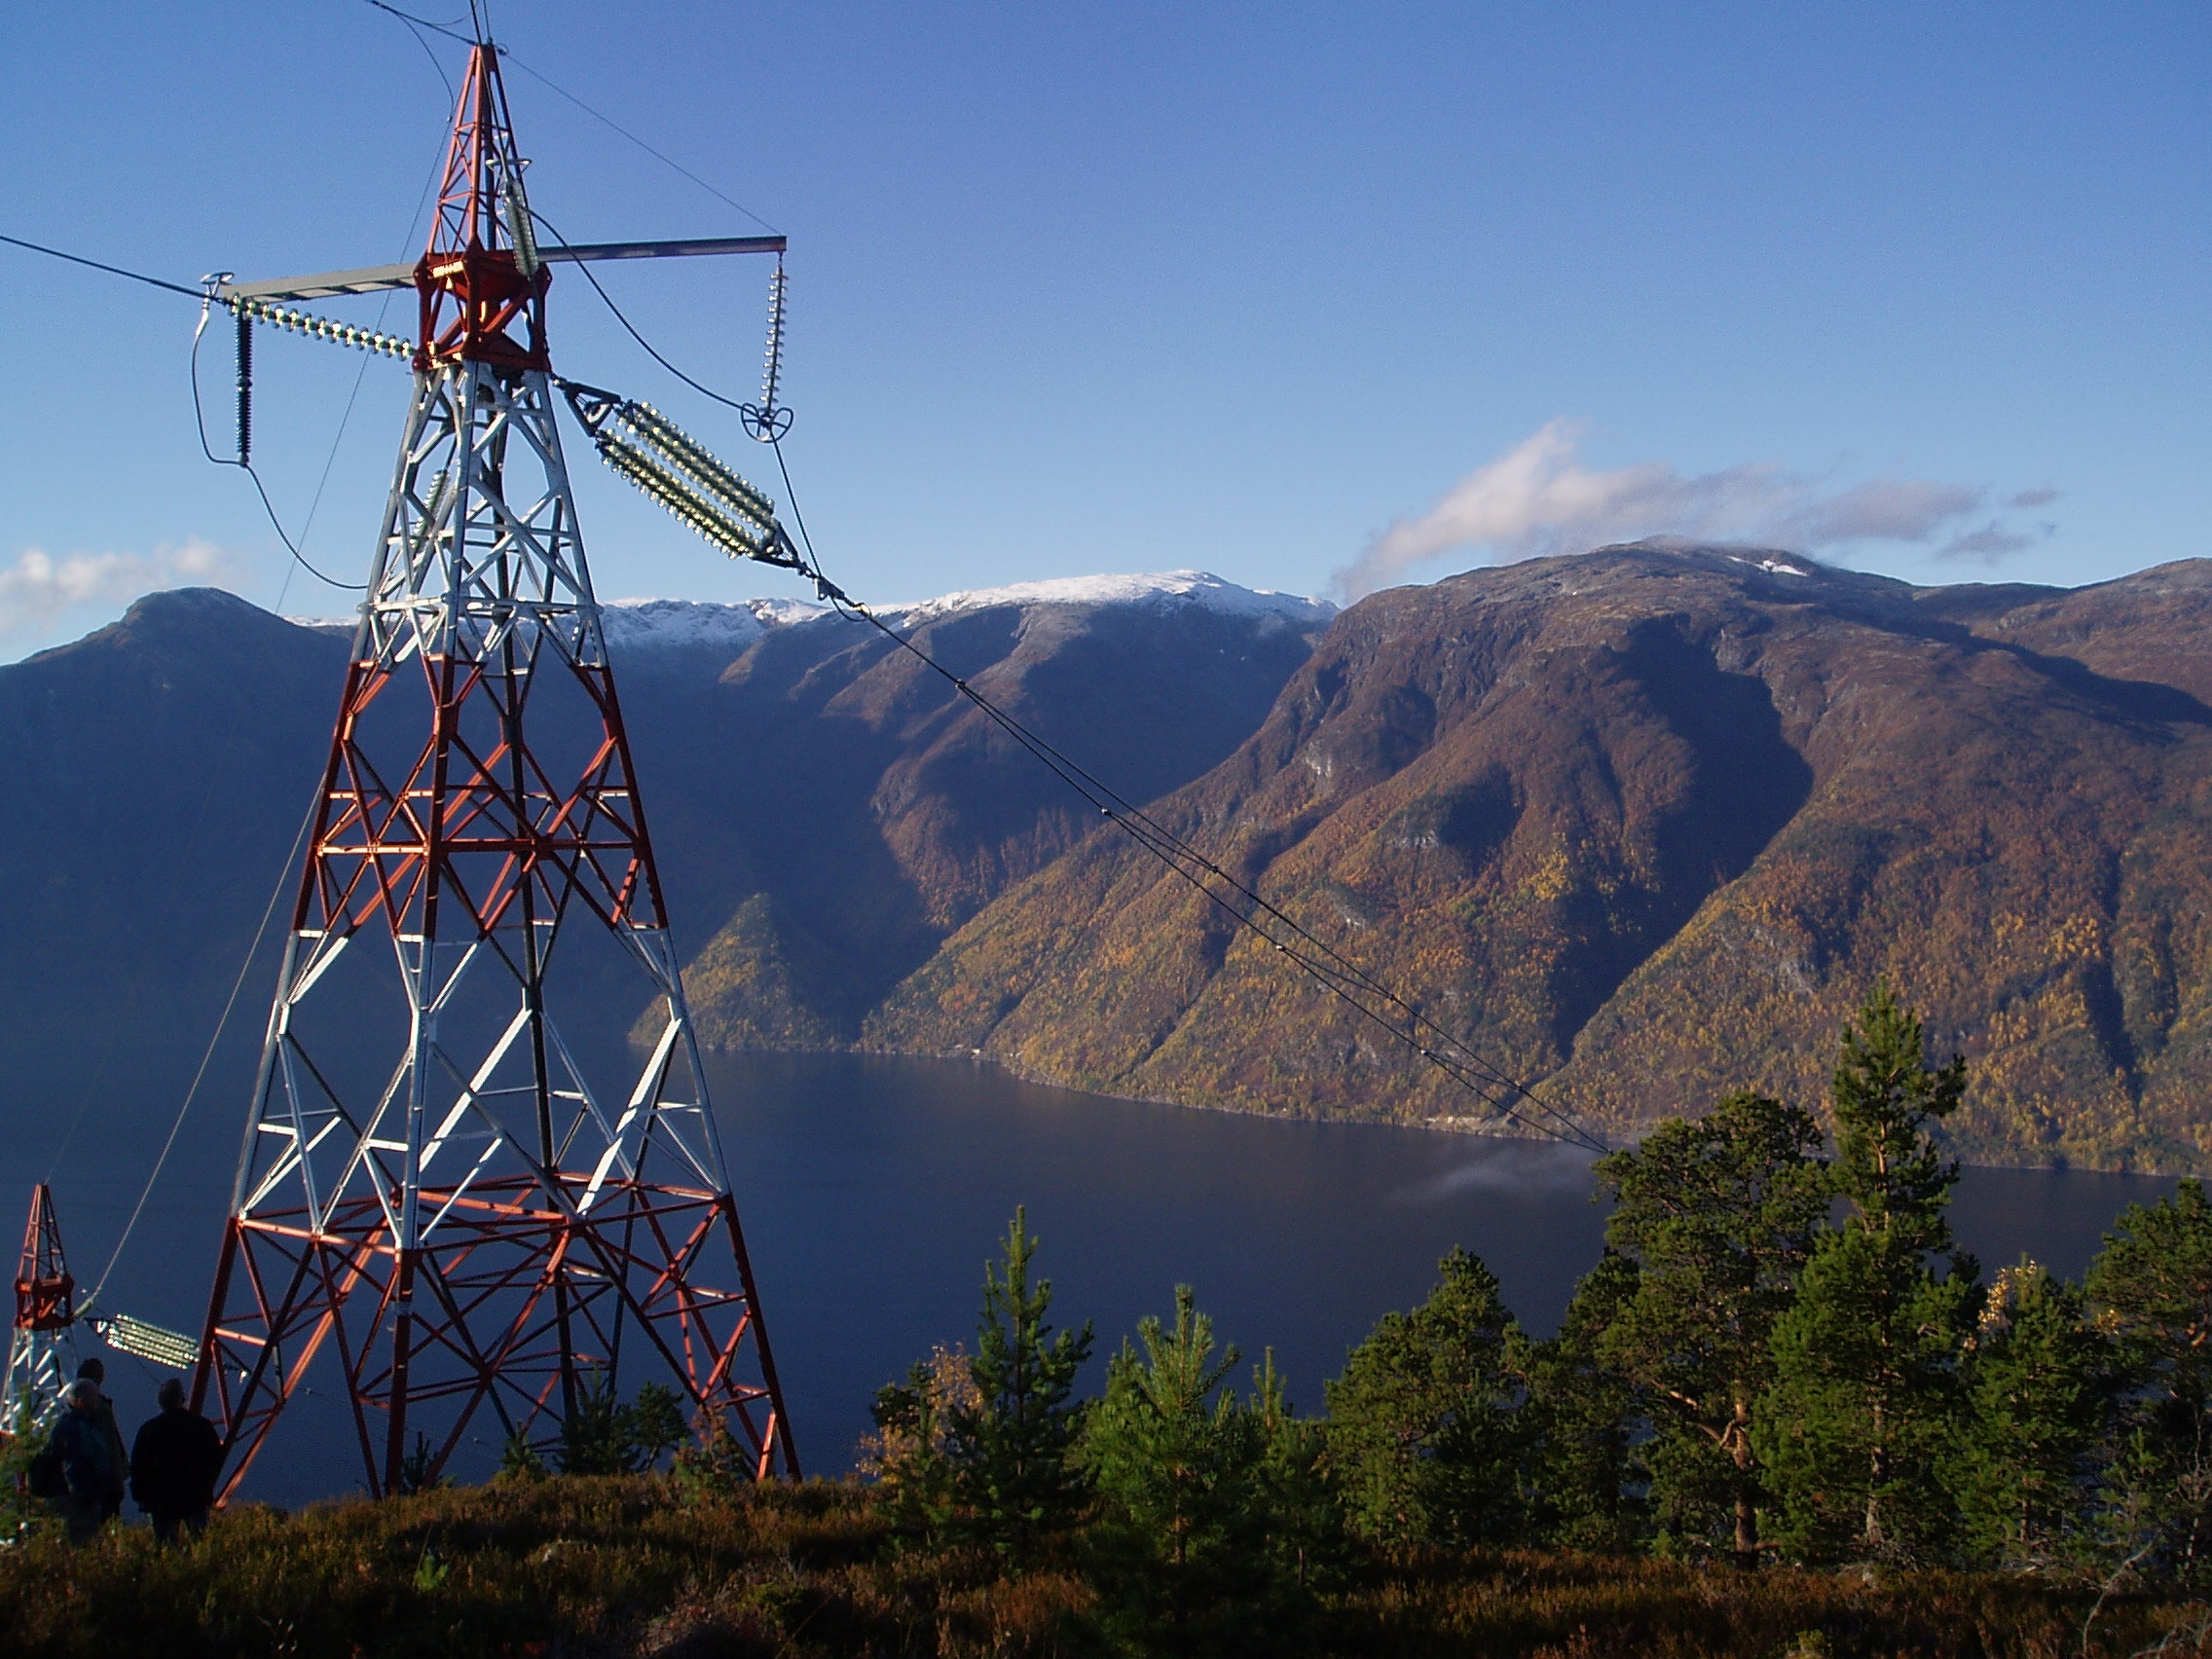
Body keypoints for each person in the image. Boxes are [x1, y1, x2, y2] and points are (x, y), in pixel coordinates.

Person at [129, 1376, 224, 1543]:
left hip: (161, 1499)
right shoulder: (201, 1426)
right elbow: (216, 1459)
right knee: (199, 1543)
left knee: (166, 1545)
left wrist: (141, 1495)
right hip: (194, 1497)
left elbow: (138, 1466)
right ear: (182, 1398)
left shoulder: (150, 1429)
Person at [49, 1380, 114, 1545]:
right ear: (80, 1401)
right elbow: (72, 1463)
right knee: (82, 1540)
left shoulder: (84, 1424)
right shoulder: (76, 1428)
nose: (98, 1401)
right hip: (81, 1498)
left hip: (87, 1494)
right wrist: (84, 1494)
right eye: (94, 1397)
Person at [75, 1358, 129, 1523]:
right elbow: (112, 1446)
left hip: (83, 1485)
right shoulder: (101, 1410)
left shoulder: (71, 1413)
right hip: (104, 1484)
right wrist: (118, 1479)